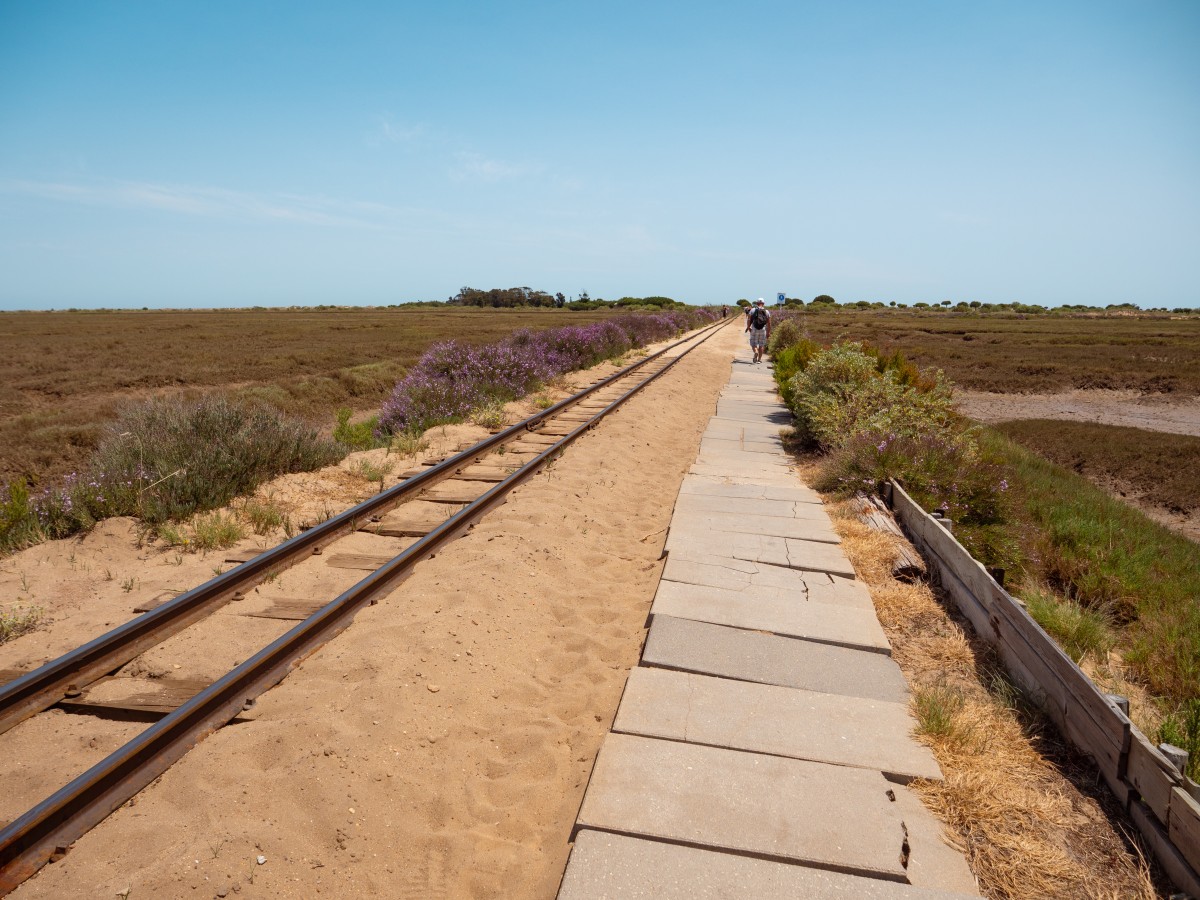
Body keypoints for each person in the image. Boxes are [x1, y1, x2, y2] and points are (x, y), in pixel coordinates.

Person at [745, 298, 771, 363]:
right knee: (761, 345)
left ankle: (756, 351)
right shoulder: (767, 311)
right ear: (764, 303)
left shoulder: (752, 310)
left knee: (753, 343)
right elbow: (769, 323)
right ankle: (759, 360)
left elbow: (748, 320)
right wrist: (768, 332)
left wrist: (748, 327)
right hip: (763, 329)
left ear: (757, 303)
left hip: (754, 328)